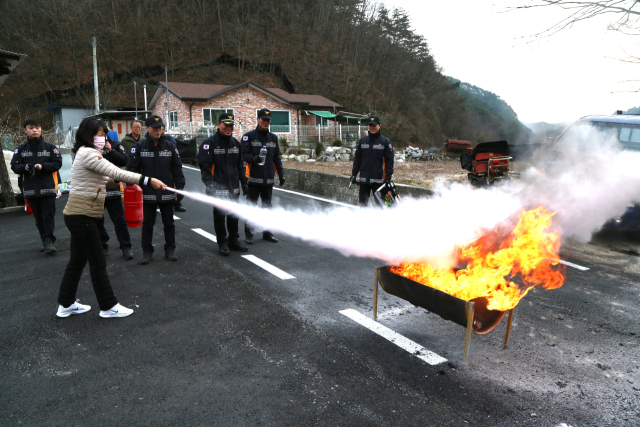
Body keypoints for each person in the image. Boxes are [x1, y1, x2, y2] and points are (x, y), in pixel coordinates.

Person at [56, 118, 166, 318]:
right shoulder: (88, 153)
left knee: (77, 261)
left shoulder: (86, 153)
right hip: (82, 216)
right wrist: (146, 179)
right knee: (97, 262)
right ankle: (108, 307)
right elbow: (114, 171)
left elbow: (108, 180)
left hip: (81, 214)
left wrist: (129, 178)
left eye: (104, 134)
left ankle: (66, 304)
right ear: (88, 135)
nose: (103, 138)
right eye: (99, 134)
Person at [128, 115, 185, 264]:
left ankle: (170, 249)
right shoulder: (139, 147)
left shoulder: (170, 146)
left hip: (166, 191)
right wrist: (135, 191)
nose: (158, 130)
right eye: (155, 128)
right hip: (147, 193)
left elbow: (177, 168)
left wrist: (179, 187)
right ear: (147, 128)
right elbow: (133, 171)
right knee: (147, 224)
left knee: (169, 222)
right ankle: (147, 252)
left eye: (160, 127)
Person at [197, 112, 248, 256]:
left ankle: (233, 240)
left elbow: (240, 165)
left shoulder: (235, 144)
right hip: (218, 188)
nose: (229, 128)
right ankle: (222, 243)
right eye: (226, 125)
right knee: (220, 216)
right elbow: (204, 166)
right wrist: (209, 184)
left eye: (231, 125)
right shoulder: (209, 144)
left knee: (233, 215)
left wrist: (244, 182)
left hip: (233, 187)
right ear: (218, 125)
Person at [11, 118, 63, 254]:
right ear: (25, 130)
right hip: (30, 189)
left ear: (41, 129)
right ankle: (44, 239)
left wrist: (43, 166)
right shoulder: (20, 149)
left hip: (48, 187)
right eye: (31, 127)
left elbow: (57, 164)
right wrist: (25, 167)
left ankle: (49, 241)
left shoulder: (50, 147)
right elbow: (14, 166)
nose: (35, 130)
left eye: (37, 127)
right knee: (39, 217)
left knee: (48, 216)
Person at [240, 108, 284, 244]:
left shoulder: (273, 138)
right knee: (251, 207)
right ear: (258, 119)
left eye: (268, 120)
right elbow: (243, 155)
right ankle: (249, 234)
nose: (266, 122)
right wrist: (254, 159)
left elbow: (276, 158)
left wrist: (281, 175)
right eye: (263, 120)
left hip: (268, 181)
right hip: (253, 180)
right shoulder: (248, 136)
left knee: (267, 207)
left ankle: (267, 233)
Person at [96, 126, 134, 260]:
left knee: (119, 220)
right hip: (96, 191)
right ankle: (102, 245)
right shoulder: (88, 147)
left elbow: (124, 160)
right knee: (97, 221)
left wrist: (110, 151)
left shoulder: (116, 145)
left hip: (113, 191)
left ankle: (126, 247)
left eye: (102, 133)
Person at [351, 115, 394, 207]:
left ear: (379, 126)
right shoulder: (362, 141)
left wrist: (388, 178)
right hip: (364, 181)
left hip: (379, 182)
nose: (372, 127)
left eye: (374, 125)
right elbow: (357, 160)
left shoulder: (386, 142)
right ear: (368, 126)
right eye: (370, 125)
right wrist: (354, 174)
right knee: (362, 206)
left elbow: (389, 161)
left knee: (381, 207)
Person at [162, 131, 186, 212]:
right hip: (159, 168)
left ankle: (177, 203)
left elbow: (177, 164)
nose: (159, 131)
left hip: (170, 167)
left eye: (161, 129)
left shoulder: (169, 140)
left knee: (175, 185)